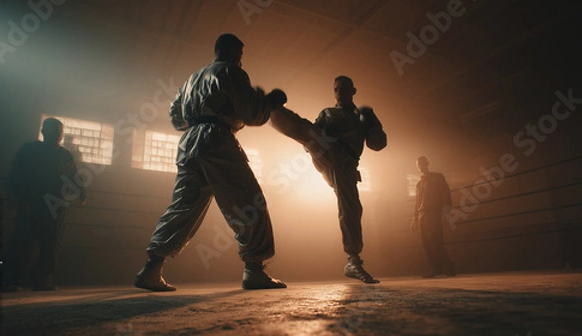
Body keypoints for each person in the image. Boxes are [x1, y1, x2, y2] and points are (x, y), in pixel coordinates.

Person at [134, 33, 287, 291]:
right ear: (234, 53)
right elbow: (251, 114)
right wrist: (268, 103)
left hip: (189, 143)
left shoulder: (191, 79)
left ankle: (151, 268)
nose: (241, 60)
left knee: (184, 206)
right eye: (240, 55)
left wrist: (199, 119)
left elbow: (176, 118)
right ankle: (254, 270)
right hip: (217, 140)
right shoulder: (233, 73)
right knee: (250, 203)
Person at [269, 76, 387, 284]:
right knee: (308, 130)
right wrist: (316, 145)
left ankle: (352, 260)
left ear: (353, 90)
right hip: (327, 151)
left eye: (343, 89)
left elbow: (378, 144)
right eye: (336, 89)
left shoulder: (361, 117)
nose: (339, 92)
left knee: (350, 207)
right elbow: (309, 132)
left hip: (347, 164)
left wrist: (372, 120)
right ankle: (272, 110)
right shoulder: (328, 113)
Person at [4, 117, 86, 291]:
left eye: (60, 132)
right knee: (23, 243)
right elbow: (15, 175)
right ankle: (12, 280)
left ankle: (41, 280)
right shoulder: (29, 150)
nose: (57, 135)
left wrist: (81, 192)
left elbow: (74, 176)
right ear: (43, 132)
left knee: (51, 244)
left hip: (56, 207)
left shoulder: (65, 155)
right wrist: (20, 199)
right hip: (32, 205)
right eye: (54, 131)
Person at [411, 156, 456, 278]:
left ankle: (447, 267)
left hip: (433, 212)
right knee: (426, 243)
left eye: (422, 163)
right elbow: (417, 202)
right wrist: (415, 218)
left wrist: (447, 210)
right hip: (422, 215)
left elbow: (445, 193)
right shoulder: (419, 184)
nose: (420, 166)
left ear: (427, 164)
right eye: (418, 164)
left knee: (436, 240)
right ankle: (435, 268)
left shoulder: (437, 177)